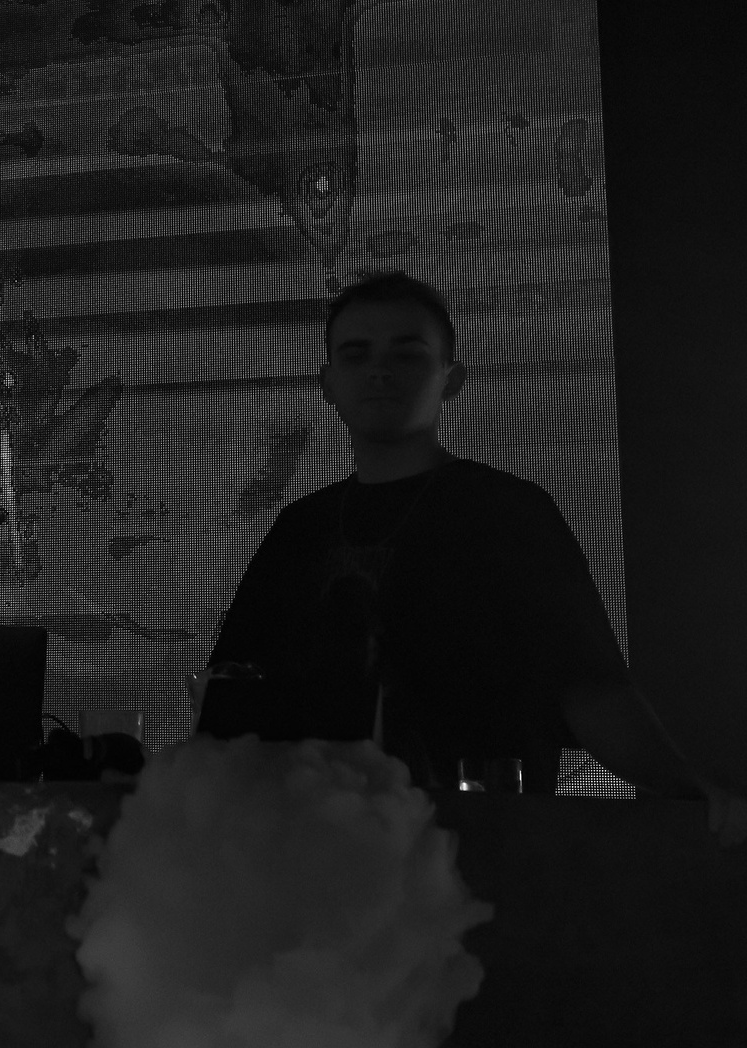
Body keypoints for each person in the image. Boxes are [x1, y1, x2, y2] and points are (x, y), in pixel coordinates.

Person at [206, 272, 747, 841]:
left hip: (485, 845)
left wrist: (686, 787)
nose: (380, 371)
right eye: (356, 353)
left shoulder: (508, 513)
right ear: (328, 383)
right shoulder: (300, 529)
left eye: (406, 353)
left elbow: (588, 686)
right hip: (318, 845)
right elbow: (232, 692)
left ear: (451, 379)